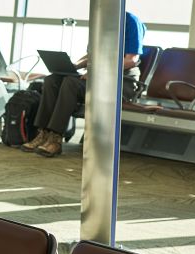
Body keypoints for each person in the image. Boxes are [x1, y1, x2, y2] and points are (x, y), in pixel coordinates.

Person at [21, 11, 145, 157]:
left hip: (121, 81)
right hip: (98, 78)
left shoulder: (130, 21)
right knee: (52, 79)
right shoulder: (100, 20)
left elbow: (131, 60)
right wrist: (73, 66)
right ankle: (43, 134)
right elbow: (91, 55)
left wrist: (97, 71)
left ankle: (55, 138)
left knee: (71, 83)